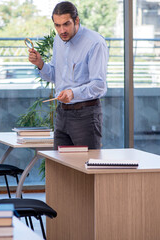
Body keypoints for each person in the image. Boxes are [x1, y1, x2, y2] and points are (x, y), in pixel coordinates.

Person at [28, 1, 108, 149]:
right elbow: (55, 76)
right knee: (60, 167)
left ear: (76, 20)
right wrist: (40, 64)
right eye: (57, 25)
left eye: (66, 24)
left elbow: (99, 85)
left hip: (85, 115)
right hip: (62, 113)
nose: (62, 30)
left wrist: (73, 93)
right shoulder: (58, 39)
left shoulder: (95, 43)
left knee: (85, 168)